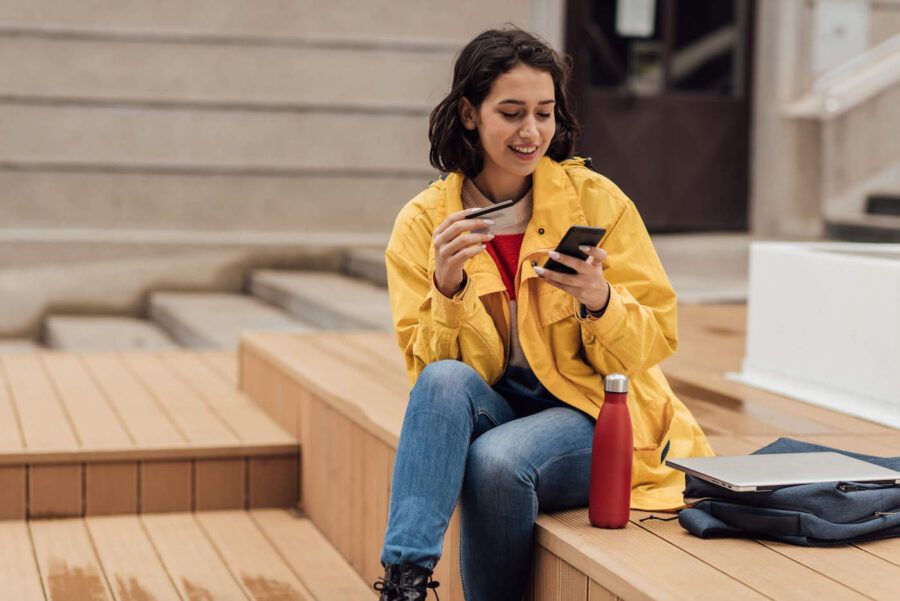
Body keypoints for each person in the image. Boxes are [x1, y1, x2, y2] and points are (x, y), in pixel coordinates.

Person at [374, 27, 714, 601]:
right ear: (468, 113)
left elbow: (652, 343)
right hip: (497, 406)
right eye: (510, 113)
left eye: (544, 112)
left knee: (495, 462)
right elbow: (430, 383)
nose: (531, 132)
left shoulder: (596, 201)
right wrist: (448, 288)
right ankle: (404, 584)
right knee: (441, 380)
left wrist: (600, 300)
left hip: (593, 413)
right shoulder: (424, 224)